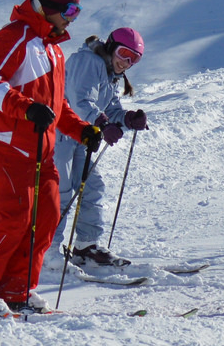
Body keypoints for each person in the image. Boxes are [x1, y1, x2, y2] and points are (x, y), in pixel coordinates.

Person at [0, 0, 100, 316]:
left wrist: (82, 130)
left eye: (76, 12)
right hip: (7, 144)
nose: (72, 20)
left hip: (41, 151)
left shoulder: (53, 51)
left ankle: (17, 289)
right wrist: (25, 108)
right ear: (46, 6)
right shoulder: (13, 37)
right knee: (14, 217)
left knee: (46, 217)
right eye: (69, 11)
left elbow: (57, 105)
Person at [51, 28, 151, 268]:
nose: (126, 62)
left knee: (92, 187)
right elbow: (79, 101)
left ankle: (86, 247)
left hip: (83, 137)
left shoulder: (109, 73)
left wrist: (127, 119)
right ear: (111, 46)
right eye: (124, 53)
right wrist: (102, 123)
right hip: (61, 134)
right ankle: (47, 252)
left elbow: (111, 108)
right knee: (59, 193)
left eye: (133, 59)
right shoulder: (89, 62)